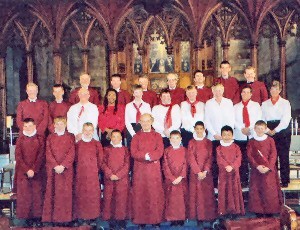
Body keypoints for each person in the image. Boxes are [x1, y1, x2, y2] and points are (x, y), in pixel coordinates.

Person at [130, 113, 164, 228]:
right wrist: (147, 156)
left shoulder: (157, 136)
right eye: (143, 121)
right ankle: (141, 220)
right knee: (140, 194)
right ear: (140, 122)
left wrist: (149, 156)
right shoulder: (136, 136)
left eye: (147, 121)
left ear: (152, 121)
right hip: (140, 170)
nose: (145, 123)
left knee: (154, 194)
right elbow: (133, 152)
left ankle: (156, 220)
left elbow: (159, 151)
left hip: (154, 170)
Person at [42, 117, 75, 225]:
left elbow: (72, 152)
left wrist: (64, 165)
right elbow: (48, 152)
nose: (59, 126)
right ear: (54, 125)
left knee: (66, 194)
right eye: (57, 124)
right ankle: (54, 218)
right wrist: (55, 165)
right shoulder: (50, 138)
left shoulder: (70, 137)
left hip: (66, 170)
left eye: (62, 124)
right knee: (53, 193)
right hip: (53, 170)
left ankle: (66, 219)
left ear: (65, 125)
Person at [247, 120, 283, 216]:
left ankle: (270, 211)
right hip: (257, 170)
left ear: (265, 129)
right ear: (254, 129)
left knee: (269, 190)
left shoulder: (270, 140)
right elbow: (250, 155)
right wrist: (257, 166)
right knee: (257, 190)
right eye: (257, 129)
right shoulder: (251, 141)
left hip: (269, 170)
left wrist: (269, 166)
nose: (259, 130)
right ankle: (258, 211)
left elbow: (273, 154)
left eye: (262, 128)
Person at [261, 80, 291, 187]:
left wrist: (276, 130)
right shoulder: (264, 104)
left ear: (280, 90)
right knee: (271, 156)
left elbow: (286, 119)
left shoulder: (285, 103)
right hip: (269, 129)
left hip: (282, 130)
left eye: (276, 89)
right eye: (272, 89)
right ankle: (272, 180)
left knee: (283, 156)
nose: (274, 91)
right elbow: (262, 119)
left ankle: (285, 180)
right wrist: (268, 130)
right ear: (270, 90)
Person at [15, 118, 44, 227]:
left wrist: (34, 169)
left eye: (30, 126)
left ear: (35, 126)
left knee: (37, 195)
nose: (27, 129)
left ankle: (37, 218)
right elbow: (18, 156)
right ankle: (26, 219)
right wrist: (27, 169)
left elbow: (41, 155)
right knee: (25, 196)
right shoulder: (20, 139)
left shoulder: (40, 139)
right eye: (25, 126)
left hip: (37, 172)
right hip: (23, 172)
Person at [188, 121, 217, 228]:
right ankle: (198, 217)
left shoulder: (208, 142)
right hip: (195, 173)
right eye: (197, 129)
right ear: (194, 129)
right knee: (197, 195)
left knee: (207, 195)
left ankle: (208, 217)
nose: (199, 131)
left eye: (201, 129)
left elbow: (210, 157)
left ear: (204, 129)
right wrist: (197, 171)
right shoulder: (191, 142)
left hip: (206, 173)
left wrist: (205, 171)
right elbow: (191, 157)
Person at [205, 84, 235, 186]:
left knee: (226, 161)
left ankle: (226, 184)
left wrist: (227, 135)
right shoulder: (209, 103)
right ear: (212, 91)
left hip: (226, 138)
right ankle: (215, 185)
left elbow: (231, 119)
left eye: (220, 90)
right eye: (215, 90)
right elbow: (207, 120)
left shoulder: (228, 102)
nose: (217, 92)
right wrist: (214, 134)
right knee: (215, 161)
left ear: (223, 91)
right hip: (214, 137)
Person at [73, 122, 103, 225]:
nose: (87, 132)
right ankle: (82, 216)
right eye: (85, 130)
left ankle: (93, 217)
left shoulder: (97, 144)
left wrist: (95, 170)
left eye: (90, 130)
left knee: (92, 195)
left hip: (92, 174)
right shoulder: (78, 144)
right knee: (81, 194)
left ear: (93, 131)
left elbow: (100, 159)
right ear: (82, 131)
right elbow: (75, 159)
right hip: (80, 173)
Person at [234, 85, 262, 187]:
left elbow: (258, 119)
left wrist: (249, 128)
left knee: (254, 159)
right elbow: (233, 120)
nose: (245, 94)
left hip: (252, 135)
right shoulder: (235, 107)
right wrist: (242, 128)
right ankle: (243, 181)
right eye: (243, 92)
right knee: (242, 160)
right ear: (241, 93)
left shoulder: (256, 106)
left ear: (251, 94)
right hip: (239, 136)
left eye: (247, 92)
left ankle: (255, 182)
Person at [102, 129, 130, 229]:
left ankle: (121, 220)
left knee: (121, 199)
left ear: (121, 138)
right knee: (110, 198)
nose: (116, 139)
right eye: (114, 137)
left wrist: (119, 175)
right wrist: (110, 174)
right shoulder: (106, 149)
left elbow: (127, 164)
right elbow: (103, 163)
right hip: (110, 178)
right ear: (110, 138)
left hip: (122, 179)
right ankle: (111, 220)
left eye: (118, 137)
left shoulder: (125, 150)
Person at [216, 126, 245, 218]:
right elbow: (219, 159)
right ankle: (224, 211)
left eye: (229, 135)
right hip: (223, 173)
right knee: (224, 191)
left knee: (234, 191)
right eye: (224, 135)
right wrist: (226, 166)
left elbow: (239, 158)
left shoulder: (236, 147)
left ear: (232, 135)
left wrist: (232, 166)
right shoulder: (219, 148)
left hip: (234, 173)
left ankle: (235, 211)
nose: (227, 137)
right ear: (221, 136)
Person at [163, 130, 187, 227]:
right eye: (173, 138)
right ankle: (173, 218)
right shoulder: (167, 151)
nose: (175, 140)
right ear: (169, 139)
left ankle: (181, 218)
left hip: (181, 179)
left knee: (181, 199)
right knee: (172, 199)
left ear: (181, 139)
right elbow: (165, 165)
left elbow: (186, 164)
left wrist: (180, 176)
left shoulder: (185, 150)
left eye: (177, 138)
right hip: (171, 180)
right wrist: (172, 178)